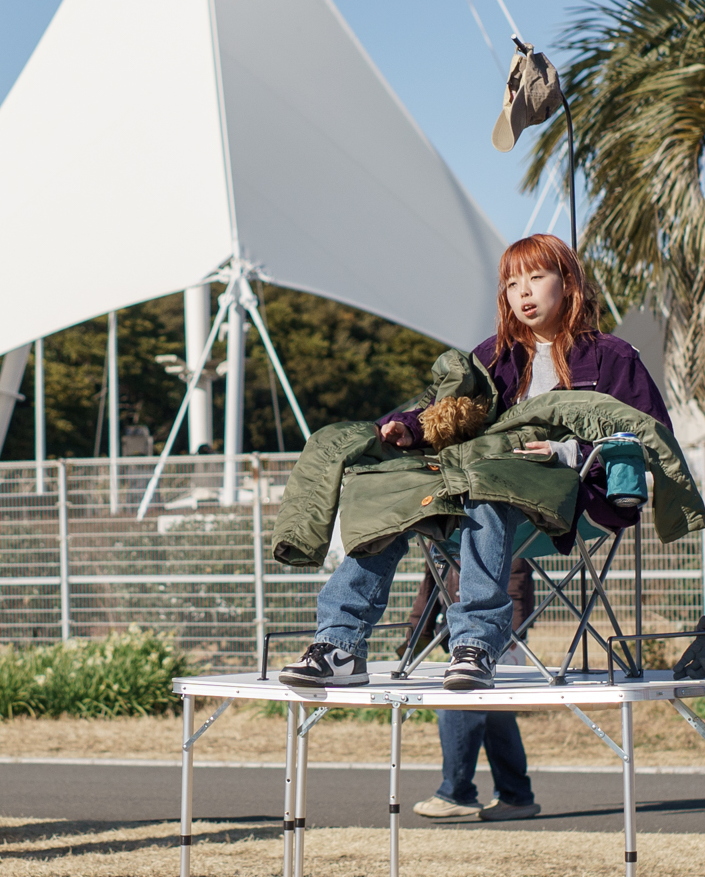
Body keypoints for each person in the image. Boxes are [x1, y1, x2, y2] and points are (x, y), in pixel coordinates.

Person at [280, 233, 666, 692]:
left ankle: (475, 646)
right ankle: (339, 644)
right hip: (481, 484)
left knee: (489, 487)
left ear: (567, 283)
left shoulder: (613, 357)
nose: (523, 292)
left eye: (536, 277)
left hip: (572, 496)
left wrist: (567, 452)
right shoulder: (495, 355)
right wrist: (411, 429)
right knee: (389, 492)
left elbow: (645, 437)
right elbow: (444, 406)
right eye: (512, 283)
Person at [402, 559, 541, 822]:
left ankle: (457, 792)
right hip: (462, 638)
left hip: (495, 637)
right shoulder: (437, 537)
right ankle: (515, 794)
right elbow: (430, 584)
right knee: (496, 715)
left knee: (458, 701)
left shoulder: (491, 530)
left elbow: (517, 575)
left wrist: (515, 629)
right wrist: (417, 631)